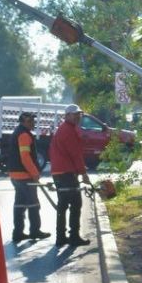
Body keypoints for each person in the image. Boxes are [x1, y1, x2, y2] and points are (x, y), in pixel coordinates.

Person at [49, 104, 92, 247]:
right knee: (75, 204)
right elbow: (75, 154)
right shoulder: (68, 131)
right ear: (67, 115)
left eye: (79, 114)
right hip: (66, 173)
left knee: (62, 205)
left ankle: (61, 237)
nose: (78, 117)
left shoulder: (63, 129)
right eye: (75, 114)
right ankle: (74, 237)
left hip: (58, 172)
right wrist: (84, 174)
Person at [7, 112, 50, 242]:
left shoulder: (17, 132)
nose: (32, 123)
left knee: (19, 204)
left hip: (15, 175)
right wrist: (34, 173)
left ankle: (18, 233)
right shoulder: (24, 135)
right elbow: (25, 157)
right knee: (33, 204)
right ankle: (35, 231)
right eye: (29, 121)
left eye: (33, 120)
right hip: (25, 176)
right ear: (22, 122)